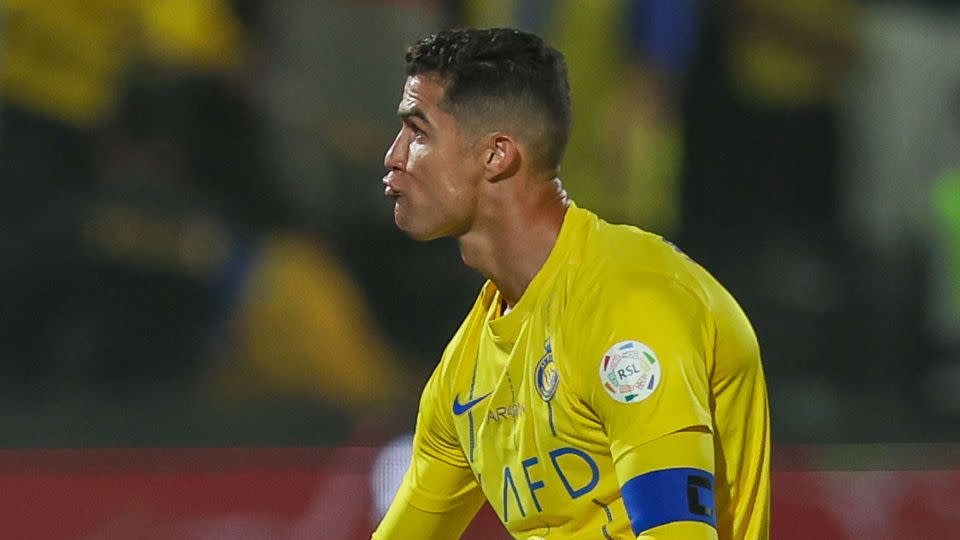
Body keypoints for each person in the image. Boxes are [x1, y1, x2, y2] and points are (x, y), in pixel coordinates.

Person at [372, 28, 770, 540]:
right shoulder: (464, 377)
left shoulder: (633, 301)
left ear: (497, 155)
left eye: (418, 132)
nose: (393, 155)